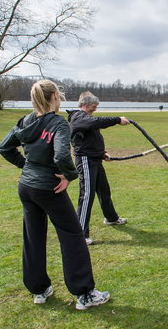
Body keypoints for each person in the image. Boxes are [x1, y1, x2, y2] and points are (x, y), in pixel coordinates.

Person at [0, 80, 110, 310]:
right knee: (72, 235)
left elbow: (5, 147)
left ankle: (39, 289)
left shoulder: (26, 121)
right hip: (48, 187)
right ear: (53, 98)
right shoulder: (57, 123)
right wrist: (69, 175)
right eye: (59, 96)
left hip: (27, 188)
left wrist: (28, 168)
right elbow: (61, 156)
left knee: (33, 237)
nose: (60, 100)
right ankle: (85, 294)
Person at [67, 91, 130, 245]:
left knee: (104, 191)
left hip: (95, 159)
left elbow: (90, 139)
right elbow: (93, 123)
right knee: (87, 195)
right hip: (86, 161)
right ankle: (81, 234)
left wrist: (102, 153)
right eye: (93, 107)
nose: (95, 110)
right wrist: (116, 120)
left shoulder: (86, 118)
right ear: (84, 105)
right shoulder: (78, 117)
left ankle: (111, 218)